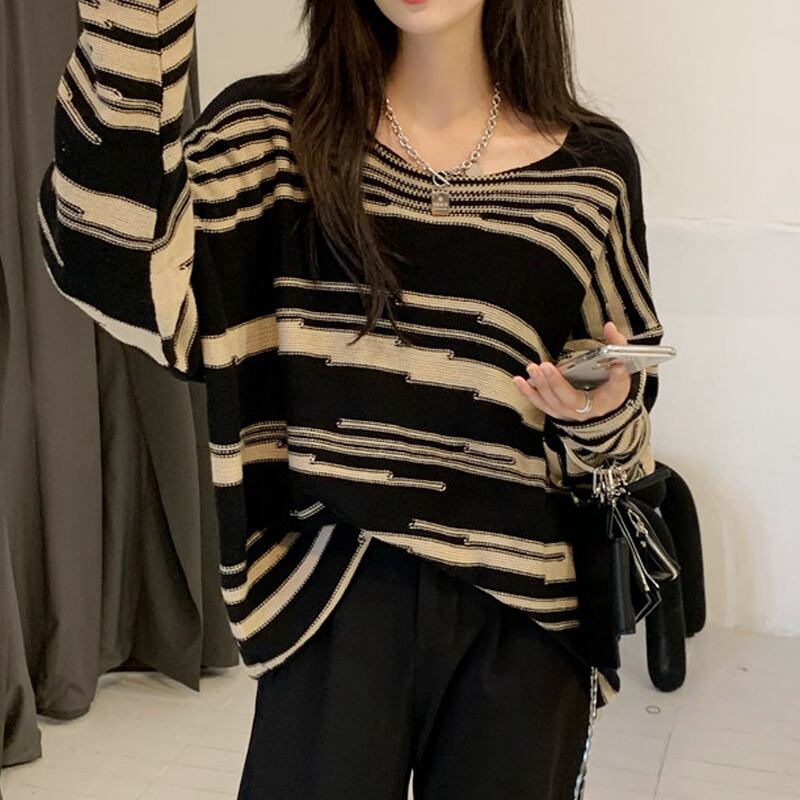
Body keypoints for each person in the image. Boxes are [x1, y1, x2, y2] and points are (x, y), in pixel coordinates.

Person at [37, 0, 663, 797]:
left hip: (524, 616)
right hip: (330, 596)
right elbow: (112, 263)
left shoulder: (593, 171)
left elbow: (623, 403)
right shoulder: (270, 138)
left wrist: (602, 418)